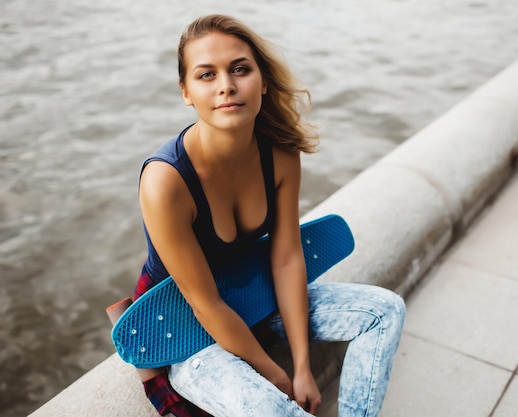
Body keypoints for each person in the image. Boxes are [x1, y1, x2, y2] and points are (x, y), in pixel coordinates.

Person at [134, 14, 405, 417]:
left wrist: (301, 366)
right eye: (206, 75)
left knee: (384, 311)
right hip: (184, 326)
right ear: (186, 92)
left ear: (262, 80)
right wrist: (274, 375)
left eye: (239, 69)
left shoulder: (279, 153)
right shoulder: (166, 182)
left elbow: (286, 257)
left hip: (254, 295)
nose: (226, 84)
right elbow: (204, 303)